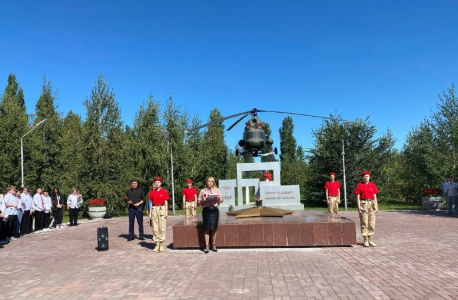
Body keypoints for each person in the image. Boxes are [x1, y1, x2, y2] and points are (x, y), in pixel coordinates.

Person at [198, 176, 223, 254]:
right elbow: (199, 201)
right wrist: (203, 200)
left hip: (214, 210)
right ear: (206, 182)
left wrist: (219, 198)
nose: (210, 183)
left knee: (214, 228)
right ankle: (207, 246)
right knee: (206, 228)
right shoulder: (203, 191)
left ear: (213, 183)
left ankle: (214, 245)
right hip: (206, 210)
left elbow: (222, 199)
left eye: (211, 182)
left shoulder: (217, 190)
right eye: (208, 181)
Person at [355, 171, 379, 247]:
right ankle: (365, 239)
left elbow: (375, 197)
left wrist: (376, 207)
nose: (366, 178)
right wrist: (359, 208)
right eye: (365, 176)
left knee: (372, 223)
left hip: (371, 204)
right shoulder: (359, 185)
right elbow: (358, 197)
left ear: (369, 177)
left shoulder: (372, 185)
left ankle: (370, 239)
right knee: (364, 222)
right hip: (363, 204)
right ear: (363, 177)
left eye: (367, 176)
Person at [148, 177, 169, 252]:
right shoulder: (152, 192)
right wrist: (150, 213)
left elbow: (166, 202)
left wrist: (166, 212)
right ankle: (157, 244)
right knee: (155, 227)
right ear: (154, 184)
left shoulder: (164, 191)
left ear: (161, 183)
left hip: (162, 209)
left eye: (158, 182)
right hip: (154, 209)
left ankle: (161, 244)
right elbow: (150, 203)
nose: (157, 184)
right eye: (155, 182)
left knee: (162, 227)